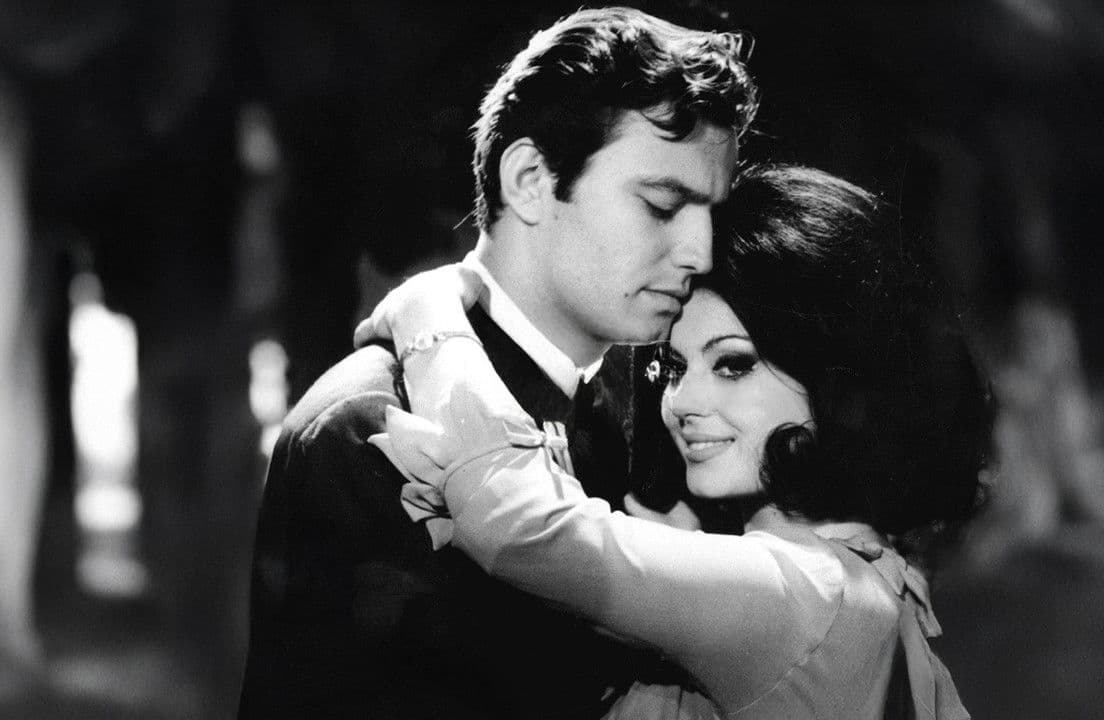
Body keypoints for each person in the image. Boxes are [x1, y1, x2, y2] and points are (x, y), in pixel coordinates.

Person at [238, 7, 757, 719]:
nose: (699, 252)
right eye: (662, 205)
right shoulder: (367, 427)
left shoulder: (660, 411)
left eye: (711, 214)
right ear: (530, 179)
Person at [361, 164, 993, 719]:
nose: (681, 402)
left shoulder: (797, 597)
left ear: (839, 381)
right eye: (674, 366)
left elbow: (517, 525)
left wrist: (427, 311)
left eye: (733, 364)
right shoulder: (857, 575)